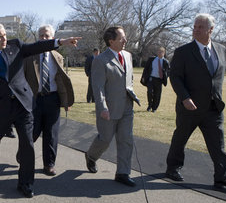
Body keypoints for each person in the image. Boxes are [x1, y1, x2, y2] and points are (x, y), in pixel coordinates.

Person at [0, 22, 81, 198]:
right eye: (0, 37)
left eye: (5, 35)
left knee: (27, 144)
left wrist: (61, 42)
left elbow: (38, 46)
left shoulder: (15, 46)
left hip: (23, 105)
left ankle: (26, 183)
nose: (4, 39)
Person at [165, 13, 226, 189]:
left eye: (200, 27)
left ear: (211, 29)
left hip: (213, 107)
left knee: (218, 143)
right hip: (189, 107)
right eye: (194, 26)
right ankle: (173, 168)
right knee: (181, 138)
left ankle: (223, 176)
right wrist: (185, 97)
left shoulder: (221, 50)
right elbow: (175, 77)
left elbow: (217, 77)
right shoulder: (183, 52)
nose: (196, 30)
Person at [84, 26, 139, 187]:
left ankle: (123, 173)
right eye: (122, 38)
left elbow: (130, 79)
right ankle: (91, 157)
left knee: (126, 140)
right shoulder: (101, 60)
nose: (125, 41)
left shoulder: (128, 56)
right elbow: (98, 87)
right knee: (105, 139)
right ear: (111, 41)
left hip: (127, 107)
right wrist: (103, 108)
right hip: (109, 109)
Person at [23, 24, 74, 176]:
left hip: (52, 99)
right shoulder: (29, 56)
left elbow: (60, 81)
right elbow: (22, 79)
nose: (44, 38)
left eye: (47, 36)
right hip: (34, 100)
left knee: (51, 134)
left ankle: (49, 164)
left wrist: (65, 102)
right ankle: (23, 153)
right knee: (32, 132)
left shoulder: (58, 57)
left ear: (53, 38)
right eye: (41, 36)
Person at [140, 46, 170, 112]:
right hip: (151, 78)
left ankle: (154, 108)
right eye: (158, 52)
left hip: (159, 80)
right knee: (149, 92)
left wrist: (165, 77)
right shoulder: (152, 59)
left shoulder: (166, 62)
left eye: (161, 52)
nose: (159, 53)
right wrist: (143, 77)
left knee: (157, 94)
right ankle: (149, 106)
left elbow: (168, 72)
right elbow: (146, 69)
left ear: (164, 53)